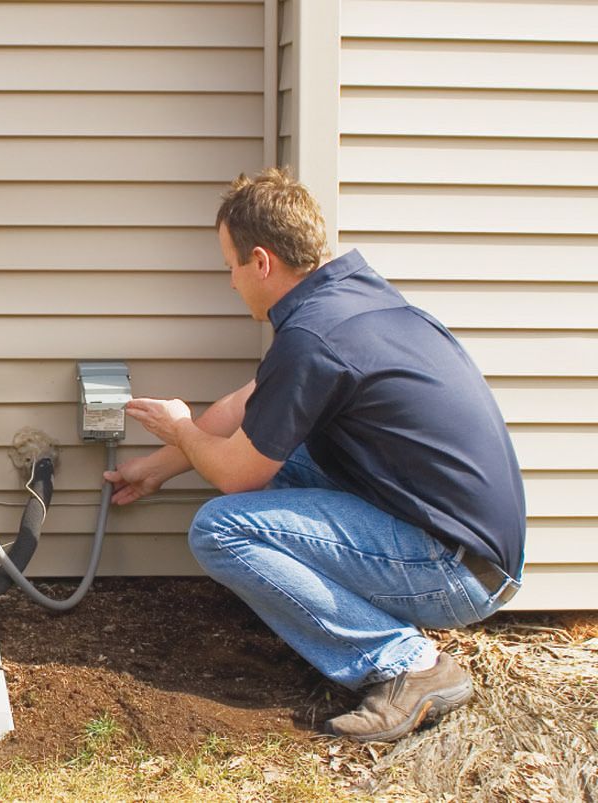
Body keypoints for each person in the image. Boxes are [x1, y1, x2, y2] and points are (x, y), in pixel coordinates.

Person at [105, 168, 526, 742]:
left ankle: (408, 664)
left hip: (455, 568)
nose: (230, 282)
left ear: (262, 261)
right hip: (461, 541)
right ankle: (370, 627)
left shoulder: (312, 339)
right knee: (286, 452)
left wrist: (181, 428)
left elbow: (234, 474)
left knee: (220, 529)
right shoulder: (347, 300)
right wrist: (157, 468)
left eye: (230, 264)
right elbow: (253, 403)